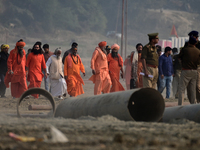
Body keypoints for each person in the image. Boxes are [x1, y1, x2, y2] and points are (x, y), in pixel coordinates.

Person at [178, 36, 200, 105]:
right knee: (193, 89)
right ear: (195, 43)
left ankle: (180, 105)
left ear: (188, 43)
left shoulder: (185, 50)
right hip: (194, 71)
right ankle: (193, 104)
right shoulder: (198, 51)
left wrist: (182, 64)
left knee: (182, 88)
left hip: (185, 70)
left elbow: (179, 58)